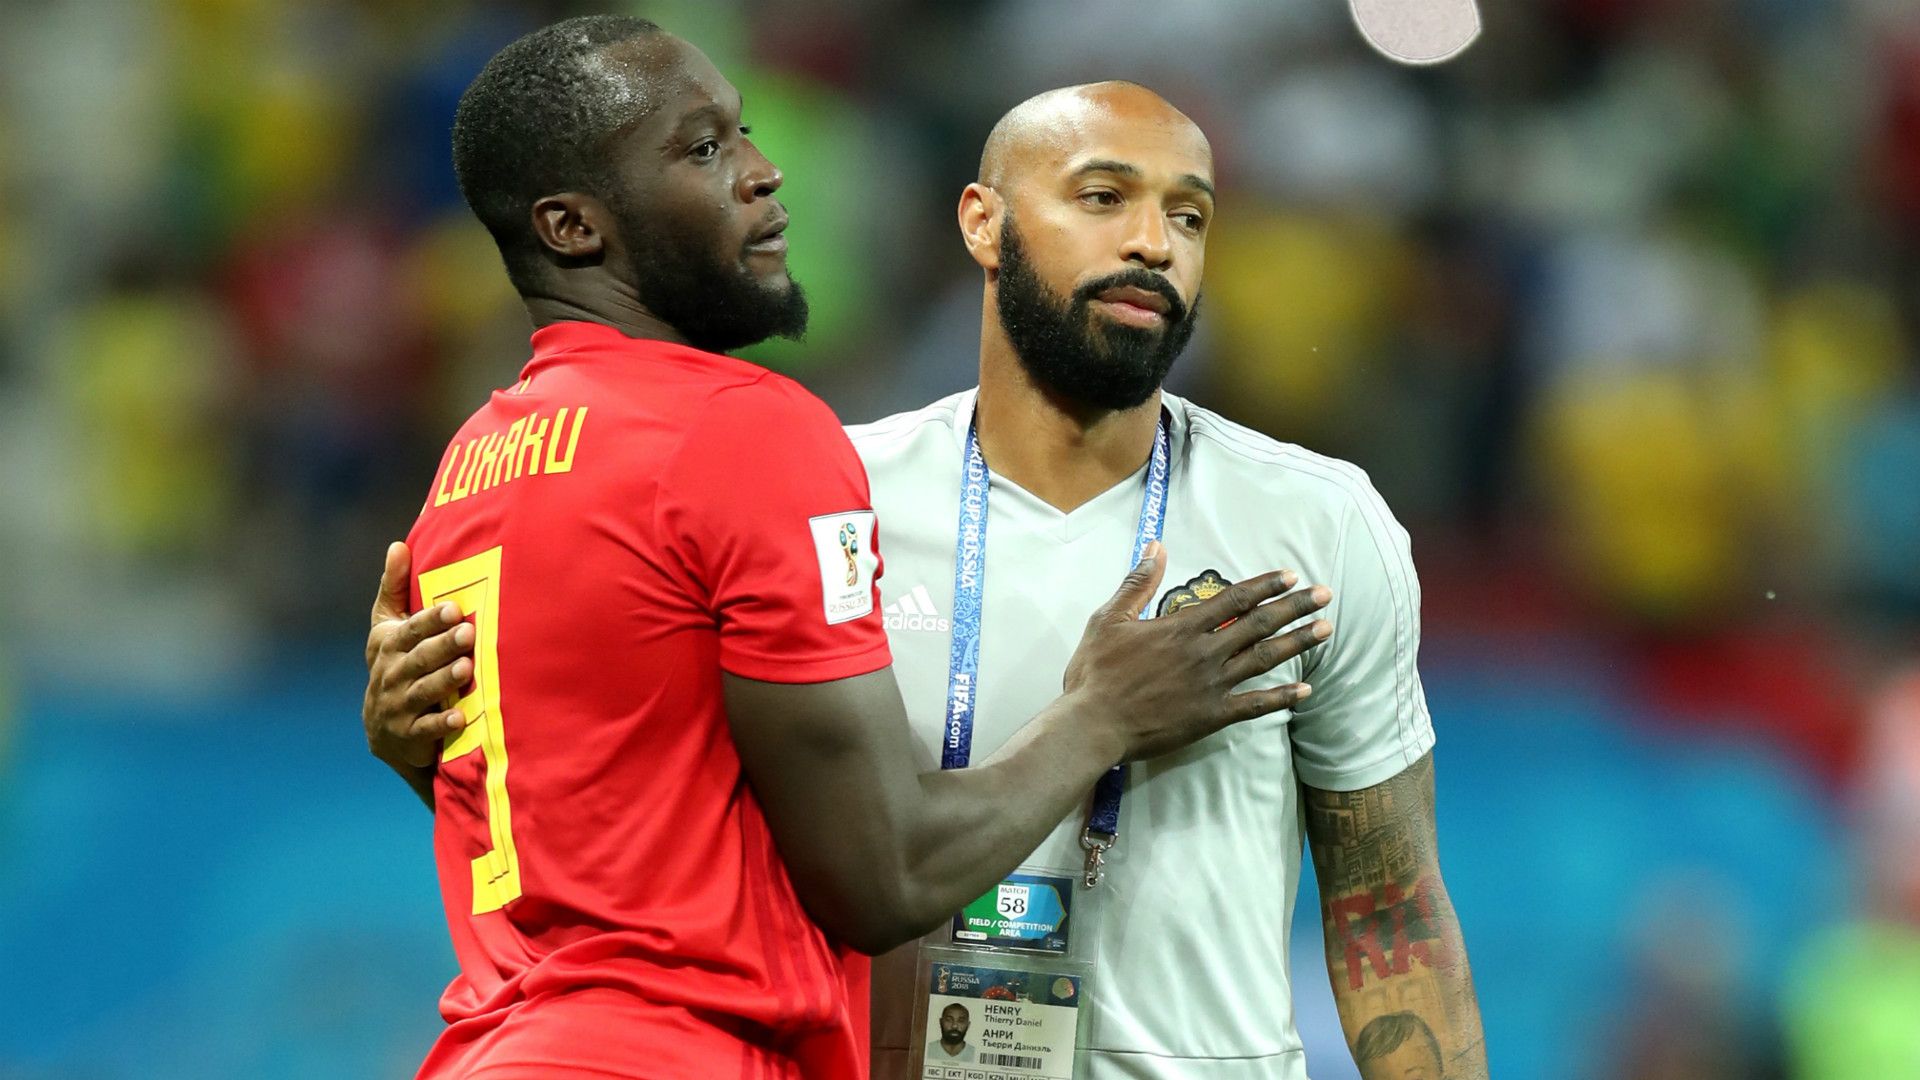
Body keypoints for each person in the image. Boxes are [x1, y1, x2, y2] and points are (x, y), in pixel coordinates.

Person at [367, 72, 1482, 1078]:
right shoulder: (825, 494)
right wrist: (438, 743)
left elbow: (1390, 909)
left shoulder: (1316, 522)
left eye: (1188, 215)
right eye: (1103, 198)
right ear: (982, 223)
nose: (1154, 243)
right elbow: (628, 810)